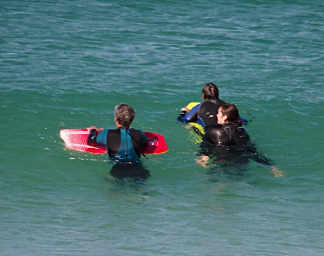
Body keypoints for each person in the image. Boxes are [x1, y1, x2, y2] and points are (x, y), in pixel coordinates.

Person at [196, 103, 283, 177]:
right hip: (240, 163)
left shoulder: (214, 131)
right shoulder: (242, 132)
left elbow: (206, 146)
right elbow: (252, 151)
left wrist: (204, 155)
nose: (216, 115)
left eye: (219, 113)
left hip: (221, 163)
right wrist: (271, 166)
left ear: (225, 117)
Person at [88, 104, 150, 180]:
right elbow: (144, 143)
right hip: (139, 169)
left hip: (118, 169)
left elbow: (91, 141)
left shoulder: (107, 133)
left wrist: (93, 130)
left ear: (116, 119)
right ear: (131, 120)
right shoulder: (140, 133)